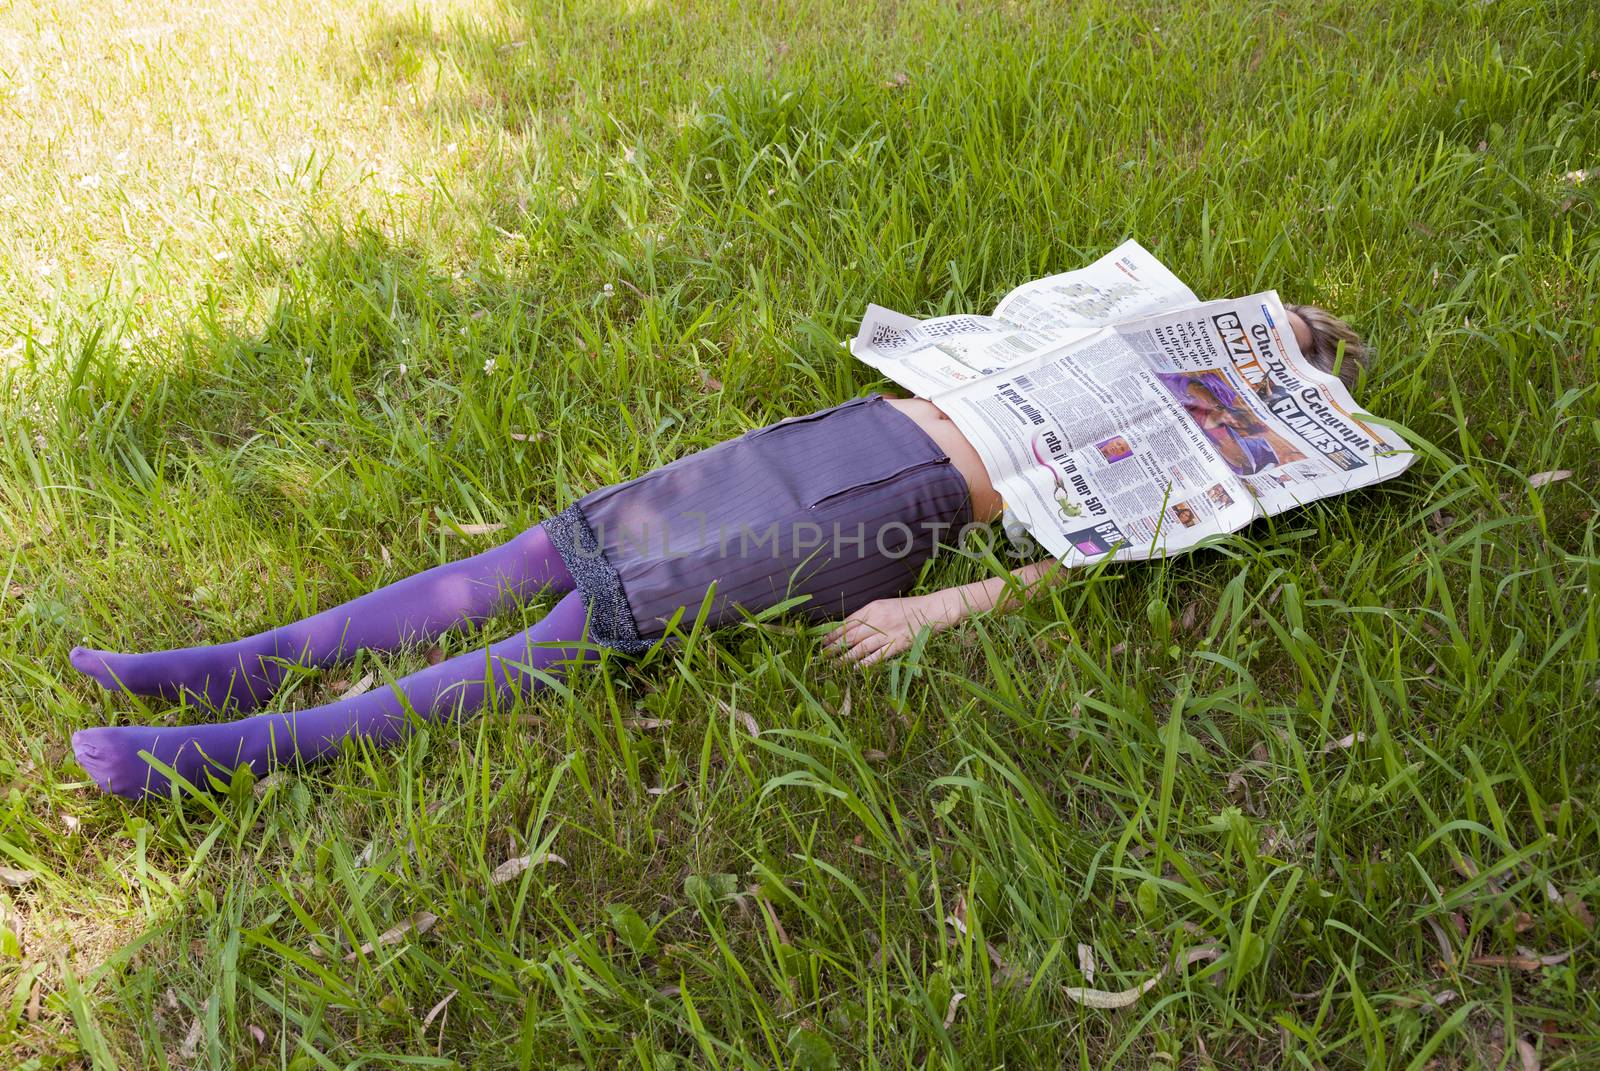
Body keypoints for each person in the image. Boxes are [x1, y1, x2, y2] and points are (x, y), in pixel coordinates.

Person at [68, 306, 1369, 799]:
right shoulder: (1157, 328)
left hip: (884, 515)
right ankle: (234, 666)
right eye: (1270, 317)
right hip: (834, 438)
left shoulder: (1236, 453)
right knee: (550, 548)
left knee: (585, 626)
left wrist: (947, 610)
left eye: (1291, 336)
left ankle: (235, 755)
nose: (1263, 326)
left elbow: (1123, 544)